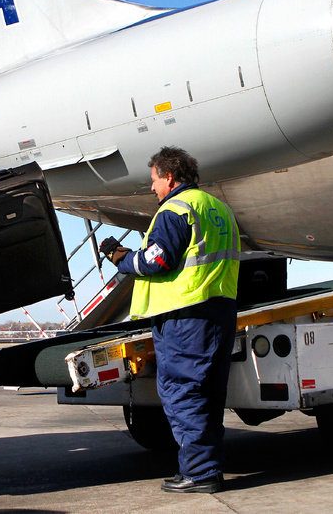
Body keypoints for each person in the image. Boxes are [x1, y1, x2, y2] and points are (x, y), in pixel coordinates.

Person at [103, 147, 240, 494]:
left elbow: (156, 260)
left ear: (170, 177)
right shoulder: (217, 208)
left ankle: (200, 473)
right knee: (208, 393)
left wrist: (120, 258)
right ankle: (207, 467)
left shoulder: (175, 210)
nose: (152, 188)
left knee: (183, 392)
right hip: (218, 310)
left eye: (154, 180)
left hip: (185, 316)